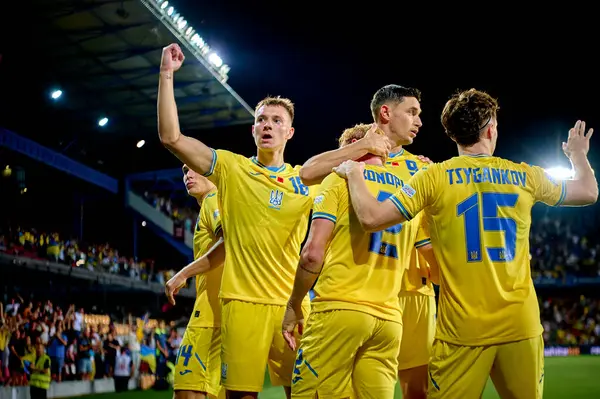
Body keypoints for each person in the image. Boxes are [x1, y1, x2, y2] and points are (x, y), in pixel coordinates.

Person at [333, 88, 598, 399]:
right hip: (520, 327)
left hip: (460, 331)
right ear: (490, 129)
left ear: (452, 133)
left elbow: (371, 217)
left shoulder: (433, 177)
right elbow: (588, 191)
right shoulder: (524, 175)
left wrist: (354, 173)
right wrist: (578, 155)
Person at [158, 43, 312, 399]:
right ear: (253, 129)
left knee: (305, 393)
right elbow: (172, 138)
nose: (267, 125)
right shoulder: (232, 168)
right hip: (240, 305)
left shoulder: (304, 181)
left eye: (277, 121)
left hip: (290, 307)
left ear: (289, 133)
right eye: (261, 119)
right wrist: (166, 76)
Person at [282, 123, 438, 399]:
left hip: (339, 309)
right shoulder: (406, 196)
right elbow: (435, 261)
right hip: (389, 320)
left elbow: (312, 253)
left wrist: (294, 303)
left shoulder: (339, 180)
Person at [166, 165, 224, 399]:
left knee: (187, 389)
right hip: (221, 314)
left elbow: (227, 244)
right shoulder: (214, 204)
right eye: (183, 171)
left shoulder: (213, 201)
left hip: (210, 316)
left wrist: (183, 274)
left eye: (194, 169)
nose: (187, 176)